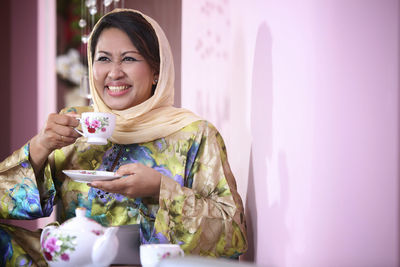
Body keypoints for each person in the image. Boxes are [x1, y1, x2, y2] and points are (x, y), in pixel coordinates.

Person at [0, 8, 247, 266]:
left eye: (128, 59)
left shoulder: (194, 134)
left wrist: (161, 189)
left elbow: (233, 235)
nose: (114, 72)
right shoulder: (74, 125)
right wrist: (40, 147)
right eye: (104, 59)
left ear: (156, 71)